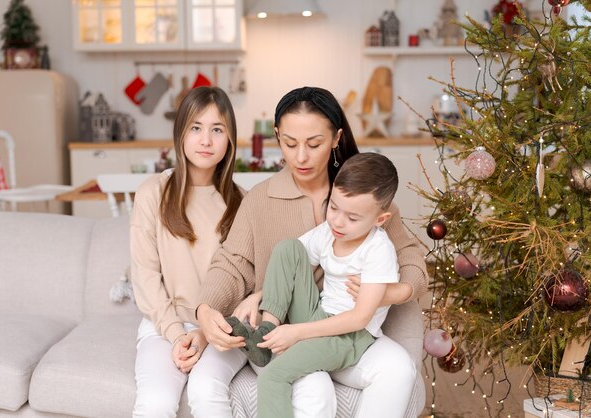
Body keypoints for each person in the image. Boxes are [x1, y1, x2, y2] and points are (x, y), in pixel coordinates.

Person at [189, 86, 427, 418]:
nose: (300, 157)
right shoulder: (260, 199)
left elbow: (412, 256)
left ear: (335, 138)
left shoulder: (361, 198)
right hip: (287, 329)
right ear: (277, 137)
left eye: (313, 144)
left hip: (345, 328)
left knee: (399, 368)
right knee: (312, 390)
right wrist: (205, 309)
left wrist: (394, 292)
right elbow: (232, 262)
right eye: (289, 143)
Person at [227, 152, 401, 418]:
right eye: (333, 207)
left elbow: (358, 318)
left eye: (353, 218)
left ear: (380, 219)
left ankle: (274, 344)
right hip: (319, 313)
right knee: (288, 248)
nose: (338, 222)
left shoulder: (378, 251)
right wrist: (258, 298)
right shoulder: (329, 232)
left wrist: (297, 332)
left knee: (273, 376)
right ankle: (267, 328)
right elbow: (290, 264)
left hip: (348, 336)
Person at [130, 86, 243, 417]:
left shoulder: (242, 202)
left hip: (223, 330)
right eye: (196, 128)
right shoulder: (153, 193)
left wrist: (207, 334)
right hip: (164, 326)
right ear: (180, 133)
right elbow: (145, 274)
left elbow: (244, 285)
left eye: (217, 129)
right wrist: (177, 334)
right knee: (155, 404)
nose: (206, 140)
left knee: (206, 395)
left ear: (230, 140)